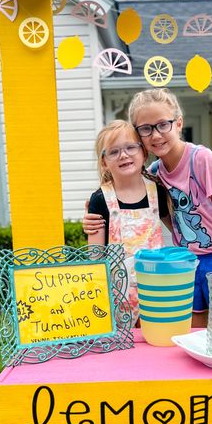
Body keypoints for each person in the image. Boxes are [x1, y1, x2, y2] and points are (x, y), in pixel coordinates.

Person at [84, 89, 212, 327]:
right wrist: (90, 218)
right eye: (146, 129)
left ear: (178, 123)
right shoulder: (156, 175)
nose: (155, 134)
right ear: (141, 139)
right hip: (182, 265)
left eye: (162, 125)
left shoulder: (201, 160)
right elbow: (171, 220)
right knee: (192, 332)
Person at [87, 119, 170, 326]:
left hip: (155, 290)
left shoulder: (156, 191)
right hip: (117, 297)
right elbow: (94, 256)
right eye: (113, 152)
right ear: (104, 162)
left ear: (143, 153)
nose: (123, 155)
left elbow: (178, 231)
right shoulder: (100, 199)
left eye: (130, 147)